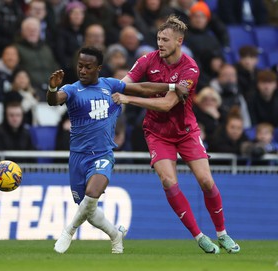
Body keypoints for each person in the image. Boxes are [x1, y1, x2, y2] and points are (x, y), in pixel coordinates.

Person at [113, 15, 240, 254]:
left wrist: (129, 98)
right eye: (158, 38)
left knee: (206, 181)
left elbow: (167, 104)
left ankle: (222, 233)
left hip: (185, 131)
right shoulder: (147, 60)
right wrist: (111, 88)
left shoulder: (190, 68)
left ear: (179, 41)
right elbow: (124, 83)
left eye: (165, 39)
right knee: (169, 181)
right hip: (157, 132)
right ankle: (199, 236)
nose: (160, 43)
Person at [47, 46, 188, 254]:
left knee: (92, 193)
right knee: (88, 209)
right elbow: (53, 101)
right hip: (78, 158)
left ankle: (68, 231)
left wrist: (173, 86)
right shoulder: (72, 90)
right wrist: (51, 89)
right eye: (80, 66)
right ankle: (115, 235)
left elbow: (142, 88)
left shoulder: (110, 85)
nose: (83, 70)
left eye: (88, 67)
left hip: (102, 155)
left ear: (99, 68)